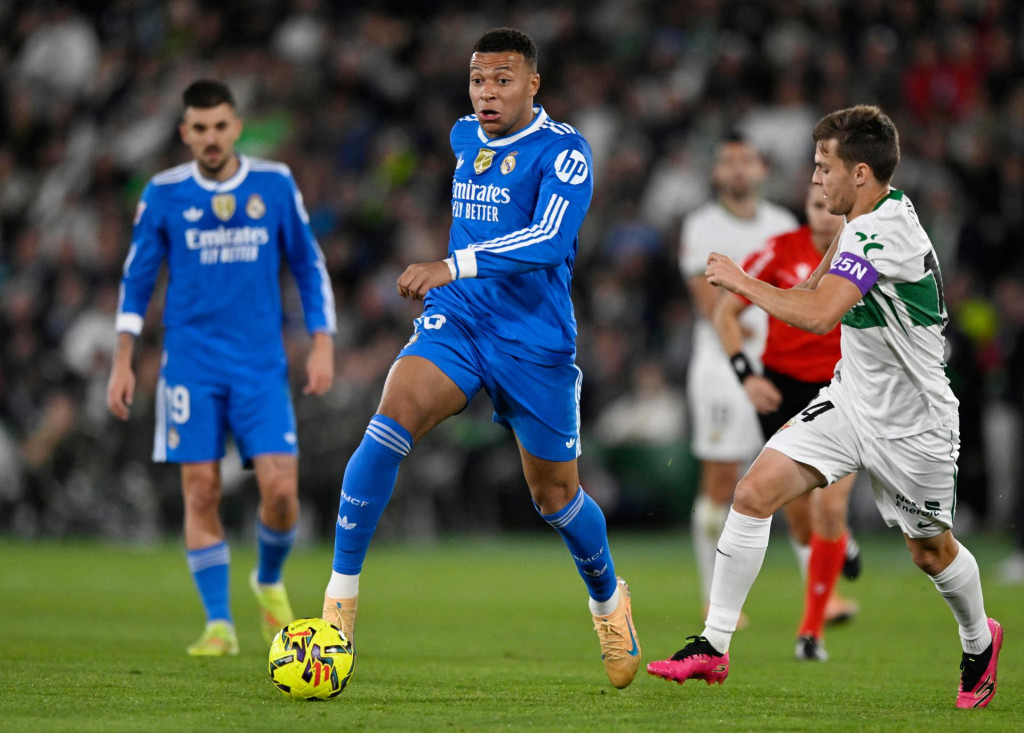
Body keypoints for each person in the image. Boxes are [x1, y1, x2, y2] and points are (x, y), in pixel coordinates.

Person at [648, 105, 1002, 709]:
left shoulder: (877, 231)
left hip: (915, 422)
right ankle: (713, 643)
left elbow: (817, 317)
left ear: (859, 173)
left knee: (929, 549)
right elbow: (815, 287)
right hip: (850, 402)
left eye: (824, 167)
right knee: (753, 493)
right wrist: (766, 288)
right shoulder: (870, 214)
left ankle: (978, 640)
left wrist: (740, 282)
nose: (814, 179)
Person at [320, 27, 641, 689]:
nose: (487, 93)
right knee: (389, 420)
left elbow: (550, 240)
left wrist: (453, 261)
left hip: (534, 340)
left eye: (502, 79)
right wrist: (456, 277)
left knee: (555, 497)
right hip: (460, 320)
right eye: (477, 80)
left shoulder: (565, 152)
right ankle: (339, 606)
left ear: (533, 84)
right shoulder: (464, 135)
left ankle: (609, 601)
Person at [107, 80, 336, 656]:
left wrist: (322, 342)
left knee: (282, 490)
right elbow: (137, 280)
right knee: (202, 491)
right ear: (186, 133)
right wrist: (123, 360)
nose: (211, 138)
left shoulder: (274, 184)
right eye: (199, 129)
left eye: (220, 126)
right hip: (191, 366)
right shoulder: (163, 194)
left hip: (259, 365)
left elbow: (308, 265)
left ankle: (268, 577)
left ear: (236, 127)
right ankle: (219, 625)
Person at [711, 182, 859, 662]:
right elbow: (725, 312)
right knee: (799, 521)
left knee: (829, 511)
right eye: (814, 205)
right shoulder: (779, 249)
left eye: (829, 206)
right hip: (781, 389)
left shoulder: (864, 256)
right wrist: (745, 375)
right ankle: (838, 548)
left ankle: (810, 631)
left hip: (841, 390)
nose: (822, 215)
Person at [679, 133, 798, 623]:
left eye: (746, 160)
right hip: (722, 365)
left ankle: (818, 595)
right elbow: (712, 305)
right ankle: (712, 592)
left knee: (794, 477)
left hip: (780, 362)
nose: (737, 169)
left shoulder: (785, 225)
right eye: (728, 161)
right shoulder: (702, 225)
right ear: (716, 173)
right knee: (722, 479)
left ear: (762, 169)